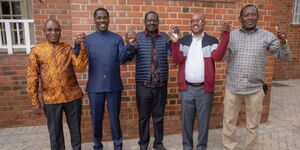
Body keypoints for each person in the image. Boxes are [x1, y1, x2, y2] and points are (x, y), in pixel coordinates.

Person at [222, 4, 292, 150]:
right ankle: (229, 147)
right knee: (229, 122)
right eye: (246, 15)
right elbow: (222, 56)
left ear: (258, 17)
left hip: (254, 89)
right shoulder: (232, 36)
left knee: (252, 125)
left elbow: (284, 57)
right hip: (233, 87)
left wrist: (283, 42)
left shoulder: (267, 36)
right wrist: (223, 39)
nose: (250, 17)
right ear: (240, 18)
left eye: (253, 14)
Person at [73, 8, 133, 150]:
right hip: (95, 87)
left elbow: (122, 59)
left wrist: (130, 45)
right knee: (96, 120)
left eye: (104, 17)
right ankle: (97, 145)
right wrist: (76, 43)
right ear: (94, 20)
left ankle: (118, 145)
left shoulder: (117, 38)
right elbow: (77, 58)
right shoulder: (88, 39)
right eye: (99, 18)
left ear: (109, 19)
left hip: (113, 86)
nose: (102, 21)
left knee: (114, 119)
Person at [170, 13, 231, 150]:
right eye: (192, 21)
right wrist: (174, 43)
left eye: (199, 20)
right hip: (187, 89)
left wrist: (225, 36)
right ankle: (187, 147)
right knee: (186, 122)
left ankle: (201, 147)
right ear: (190, 24)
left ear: (204, 23)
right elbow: (177, 60)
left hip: (205, 90)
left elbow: (218, 56)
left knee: (203, 123)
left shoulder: (211, 40)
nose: (195, 23)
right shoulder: (184, 41)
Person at [26, 19, 88, 150]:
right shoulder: (37, 51)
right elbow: (32, 77)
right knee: (55, 134)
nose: (53, 33)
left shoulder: (67, 49)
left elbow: (80, 67)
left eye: (56, 30)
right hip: (51, 99)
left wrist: (82, 47)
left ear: (60, 31)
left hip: (73, 97)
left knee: (76, 131)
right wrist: (34, 100)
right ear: (44, 31)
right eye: (50, 30)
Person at [125, 11, 170, 150]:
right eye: (149, 20)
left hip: (160, 85)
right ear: (144, 22)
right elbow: (125, 58)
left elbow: (174, 55)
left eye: (154, 20)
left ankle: (158, 143)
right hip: (143, 86)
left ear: (158, 22)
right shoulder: (137, 37)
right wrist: (130, 44)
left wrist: (175, 42)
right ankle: (143, 144)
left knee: (159, 117)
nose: (152, 23)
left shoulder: (165, 38)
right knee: (143, 117)